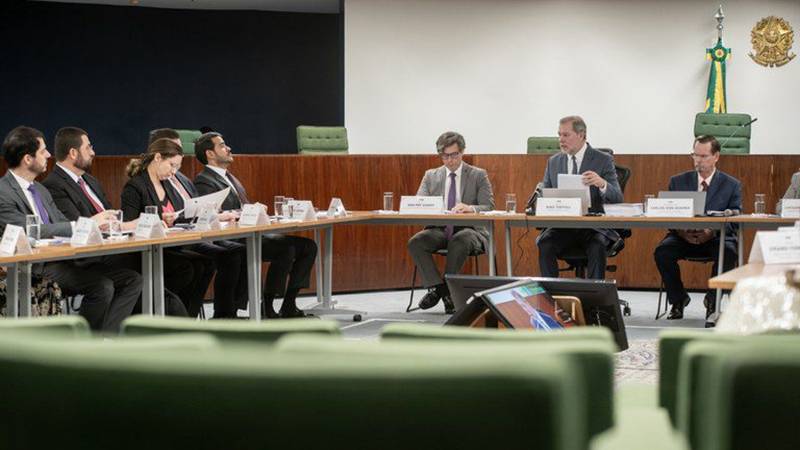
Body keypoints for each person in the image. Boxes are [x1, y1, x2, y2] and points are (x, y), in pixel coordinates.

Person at [0, 126, 140, 332]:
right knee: (102, 286)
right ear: (28, 159)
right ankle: (80, 342)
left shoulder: (40, 189)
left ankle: (106, 340)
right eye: (43, 151)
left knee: (131, 279)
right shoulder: (3, 192)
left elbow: (60, 223)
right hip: (34, 266)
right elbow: (30, 231)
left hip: (63, 259)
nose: (49, 155)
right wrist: (88, 223)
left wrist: (91, 227)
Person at [41, 126, 188, 317]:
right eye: (88, 147)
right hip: (89, 257)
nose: (93, 152)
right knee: (149, 266)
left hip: (113, 249)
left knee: (168, 266)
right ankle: (176, 319)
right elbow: (75, 227)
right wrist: (126, 225)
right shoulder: (54, 185)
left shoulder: (91, 181)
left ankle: (157, 320)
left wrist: (126, 225)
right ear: (73, 153)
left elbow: (112, 217)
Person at [193, 132, 318, 318]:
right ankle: (267, 304)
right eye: (222, 145)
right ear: (210, 154)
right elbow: (211, 216)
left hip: (250, 233)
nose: (228, 148)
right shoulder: (204, 180)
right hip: (233, 239)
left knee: (308, 246)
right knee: (286, 249)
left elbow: (241, 208)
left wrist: (255, 210)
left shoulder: (230, 178)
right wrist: (243, 213)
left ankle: (289, 303)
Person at [146, 128, 248, 318]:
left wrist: (214, 215)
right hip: (171, 242)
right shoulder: (154, 181)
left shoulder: (182, 179)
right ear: (158, 153)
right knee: (204, 262)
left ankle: (215, 314)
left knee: (233, 252)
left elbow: (195, 208)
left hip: (192, 235)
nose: (179, 152)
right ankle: (198, 316)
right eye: (174, 148)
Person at [120, 138, 216, 317]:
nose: (173, 172)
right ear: (157, 158)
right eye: (171, 165)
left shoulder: (167, 184)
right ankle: (170, 312)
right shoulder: (135, 186)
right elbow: (128, 226)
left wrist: (176, 218)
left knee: (205, 263)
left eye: (177, 167)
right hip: (145, 253)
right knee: (186, 268)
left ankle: (188, 315)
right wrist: (158, 220)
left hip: (168, 247)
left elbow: (180, 215)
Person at [653, 135, 741, 320]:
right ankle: (678, 299)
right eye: (695, 155)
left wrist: (711, 232)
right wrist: (682, 231)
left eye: (703, 156)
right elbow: (668, 214)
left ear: (716, 156)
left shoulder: (731, 185)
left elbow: (735, 219)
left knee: (729, 251)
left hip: (716, 238)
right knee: (662, 252)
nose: (698, 160)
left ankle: (712, 301)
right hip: (683, 237)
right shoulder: (678, 181)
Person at [407, 131, 494, 313]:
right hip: (440, 229)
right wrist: (429, 207)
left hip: (471, 231)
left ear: (462, 152)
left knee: (460, 239)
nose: (450, 160)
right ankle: (442, 289)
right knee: (416, 242)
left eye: (454, 155)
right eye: (445, 156)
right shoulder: (431, 176)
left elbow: (488, 206)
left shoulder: (478, 175)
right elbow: (419, 202)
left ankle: (442, 291)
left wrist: (470, 208)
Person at [536, 116, 623, 280]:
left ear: (581, 135)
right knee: (544, 242)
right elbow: (544, 195)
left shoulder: (603, 160)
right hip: (563, 227)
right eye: (559, 135)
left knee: (597, 245)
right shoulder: (553, 162)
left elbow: (618, 197)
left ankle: (595, 293)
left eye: (566, 135)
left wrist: (602, 183)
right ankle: (551, 292)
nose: (561, 140)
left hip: (593, 228)